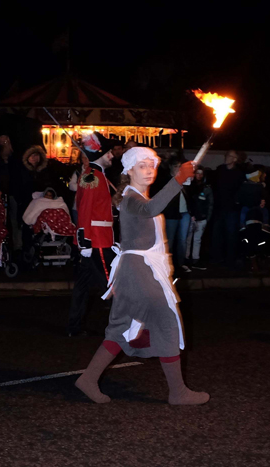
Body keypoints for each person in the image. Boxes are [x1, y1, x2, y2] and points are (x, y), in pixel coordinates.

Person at [74, 146, 208, 405]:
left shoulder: (134, 197)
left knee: (122, 327)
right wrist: (178, 178)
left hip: (137, 271)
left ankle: (88, 379)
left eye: (152, 165)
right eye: (142, 166)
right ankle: (178, 392)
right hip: (139, 272)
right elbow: (151, 209)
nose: (149, 170)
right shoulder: (131, 198)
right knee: (167, 321)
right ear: (129, 170)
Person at [67, 135, 117, 337]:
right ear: (101, 153)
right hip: (97, 240)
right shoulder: (93, 176)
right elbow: (85, 209)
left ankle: (74, 327)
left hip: (95, 239)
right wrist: (85, 240)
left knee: (83, 287)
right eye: (109, 152)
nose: (112, 155)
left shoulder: (96, 175)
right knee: (113, 286)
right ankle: (126, 330)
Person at [211, 150, 245, 268]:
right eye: (227, 155)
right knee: (217, 234)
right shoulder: (220, 170)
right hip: (219, 207)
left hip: (232, 209)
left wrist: (236, 201)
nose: (227, 158)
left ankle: (230, 260)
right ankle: (217, 258)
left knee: (231, 234)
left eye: (230, 156)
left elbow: (241, 190)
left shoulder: (239, 173)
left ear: (235, 159)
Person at [161, 157, 193, 273]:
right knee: (170, 239)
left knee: (182, 240)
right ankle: (168, 264)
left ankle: (180, 263)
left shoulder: (185, 180)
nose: (178, 169)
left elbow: (191, 196)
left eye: (180, 166)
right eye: (176, 166)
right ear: (171, 167)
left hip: (184, 213)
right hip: (171, 214)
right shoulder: (166, 180)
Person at [186, 168, 213, 270]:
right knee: (187, 239)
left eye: (201, 174)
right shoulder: (189, 187)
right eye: (197, 173)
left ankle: (195, 260)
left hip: (202, 218)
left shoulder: (207, 188)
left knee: (197, 240)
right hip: (190, 217)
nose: (199, 175)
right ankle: (186, 259)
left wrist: (207, 218)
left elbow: (210, 204)